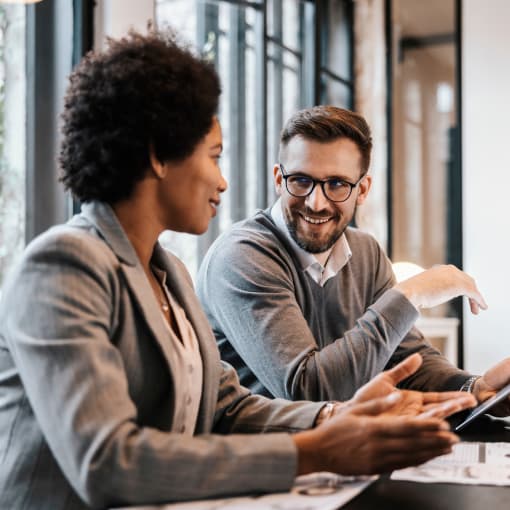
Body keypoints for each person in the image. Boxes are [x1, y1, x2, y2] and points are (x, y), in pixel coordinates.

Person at [0, 33, 477, 510]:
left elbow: (226, 406)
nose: (222, 180)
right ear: (157, 155)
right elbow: (108, 463)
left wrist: (338, 415)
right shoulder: (64, 265)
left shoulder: (172, 276)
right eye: (214, 155)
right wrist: (313, 450)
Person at [197, 105, 510, 414]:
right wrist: (410, 294)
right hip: (265, 457)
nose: (316, 203)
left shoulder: (365, 252)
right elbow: (310, 391)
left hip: (338, 451)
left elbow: (408, 362)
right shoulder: (242, 256)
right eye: (301, 181)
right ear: (279, 179)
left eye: (336, 184)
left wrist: (475, 389)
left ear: (363, 190)